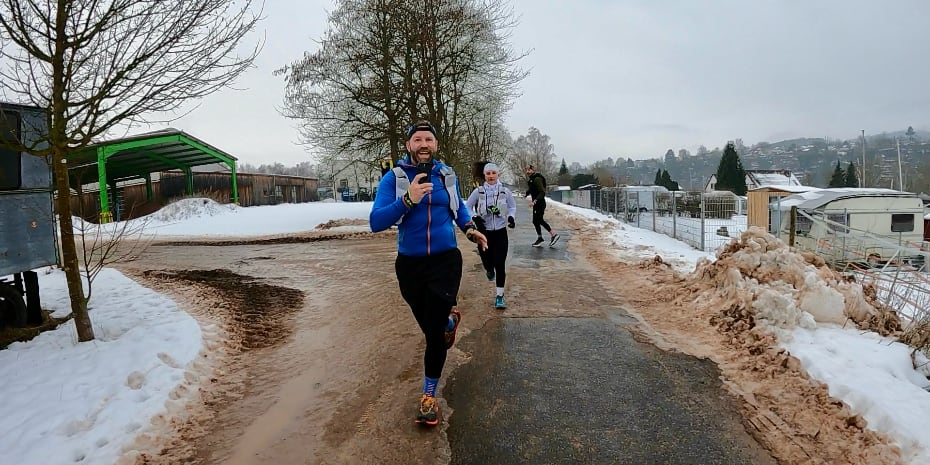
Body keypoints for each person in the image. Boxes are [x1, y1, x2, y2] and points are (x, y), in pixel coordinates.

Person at [369, 120, 487, 426]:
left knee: (433, 335)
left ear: (436, 145)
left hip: (446, 261)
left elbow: (458, 207)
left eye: (429, 139)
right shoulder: (393, 179)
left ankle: (429, 396)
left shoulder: (447, 174)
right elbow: (376, 222)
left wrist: (470, 229)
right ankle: (449, 320)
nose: (424, 144)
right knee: (432, 326)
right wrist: (408, 199)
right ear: (408, 145)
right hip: (410, 265)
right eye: (418, 139)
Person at [466, 162, 517, 309]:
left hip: (501, 231)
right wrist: (474, 217)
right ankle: (488, 269)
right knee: (488, 263)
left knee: (500, 264)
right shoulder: (479, 192)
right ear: (484, 175)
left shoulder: (505, 191)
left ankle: (500, 297)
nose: (491, 176)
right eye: (488, 174)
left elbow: (512, 206)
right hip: (484, 232)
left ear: (498, 174)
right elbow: (467, 207)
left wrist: (511, 218)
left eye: (493, 173)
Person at [525, 165, 560, 247]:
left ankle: (554, 235)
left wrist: (535, 201)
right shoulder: (532, 179)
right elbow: (532, 189)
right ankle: (540, 238)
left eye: (529, 170)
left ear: (533, 170)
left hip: (540, 203)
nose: (527, 171)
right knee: (535, 221)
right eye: (526, 170)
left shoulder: (537, 179)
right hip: (536, 203)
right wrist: (527, 193)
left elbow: (542, 192)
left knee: (539, 220)